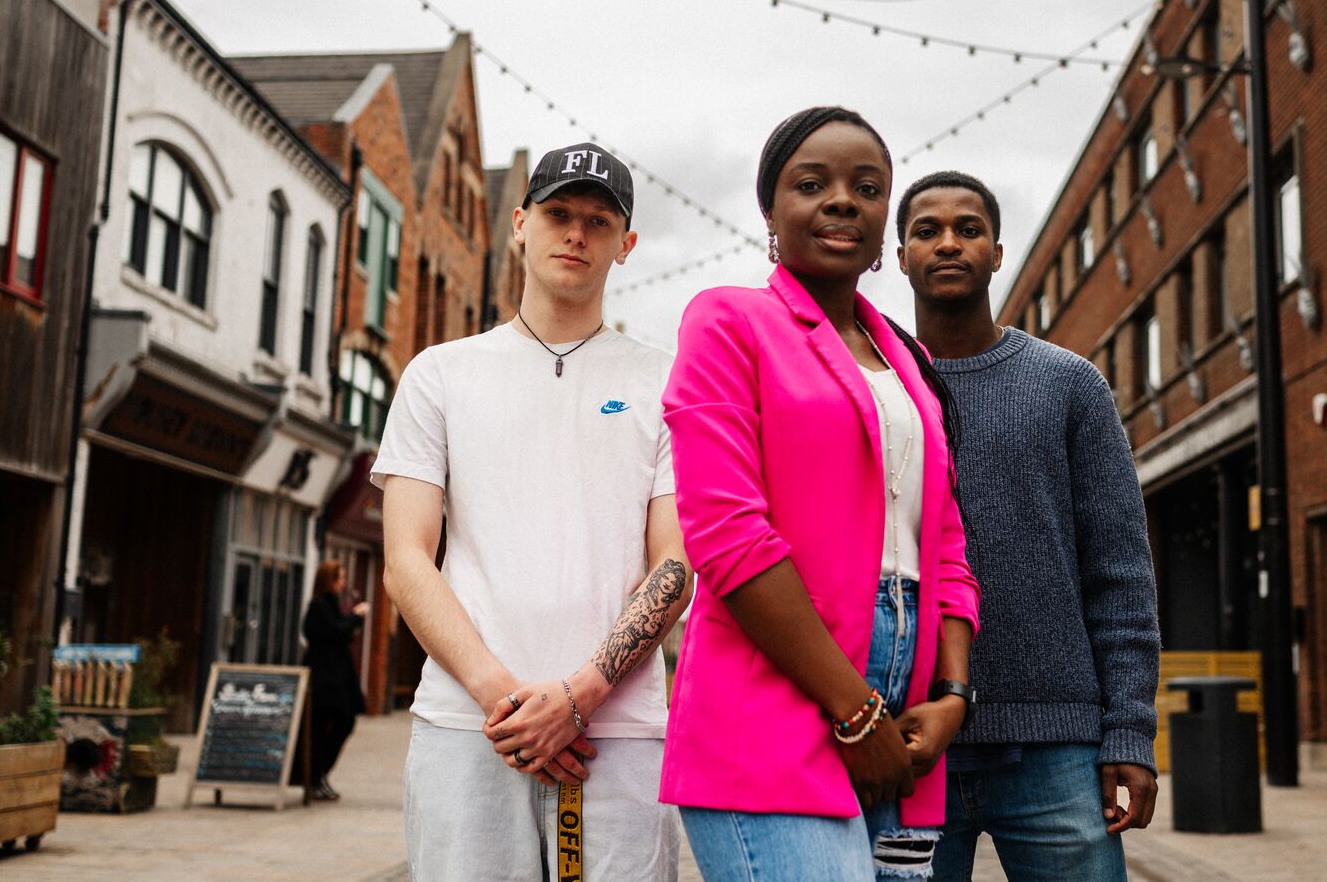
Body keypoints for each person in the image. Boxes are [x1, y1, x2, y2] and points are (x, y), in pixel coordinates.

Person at [662, 106, 980, 882]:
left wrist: (953, 692)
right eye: (813, 184)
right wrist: (855, 710)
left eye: (866, 188)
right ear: (771, 210)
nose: (843, 200)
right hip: (774, 709)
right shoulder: (729, 323)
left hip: (906, 724)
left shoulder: (908, 365)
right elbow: (728, 538)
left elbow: (943, 541)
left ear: (884, 226)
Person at [374, 143, 691, 882]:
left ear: (626, 244)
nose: (575, 233)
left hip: (617, 737)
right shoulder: (440, 374)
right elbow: (406, 560)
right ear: (519, 223)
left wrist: (579, 698)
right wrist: (507, 702)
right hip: (468, 726)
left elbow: (674, 565)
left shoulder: (664, 380)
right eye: (557, 214)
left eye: (598, 220)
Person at [895, 171, 1162, 882]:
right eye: (927, 230)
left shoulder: (1069, 385)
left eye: (968, 228)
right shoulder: (874, 390)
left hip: (1058, 750)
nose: (948, 242)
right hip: (908, 746)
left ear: (997, 251)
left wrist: (1129, 731)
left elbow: (1121, 574)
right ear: (899, 257)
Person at [301, 560, 369, 802]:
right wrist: (355, 616)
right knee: (328, 726)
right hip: (325, 682)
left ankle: (319, 774)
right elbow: (335, 632)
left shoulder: (330, 605)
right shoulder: (319, 606)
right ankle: (315, 775)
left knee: (342, 723)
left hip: (336, 680)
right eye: (339, 578)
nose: (343, 583)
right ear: (328, 580)